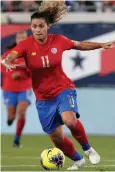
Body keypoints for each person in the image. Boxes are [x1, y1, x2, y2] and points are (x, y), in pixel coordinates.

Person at [1, 1, 115, 170]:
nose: (38, 29)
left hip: (63, 88)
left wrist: (100, 45)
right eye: (34, 26)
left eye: (41, 26)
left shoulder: (59, 40)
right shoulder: (26, 45)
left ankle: (88, 148)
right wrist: (6, 61)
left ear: (47, 26)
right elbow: (12, 55)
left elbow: (79, 45)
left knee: (69, 120)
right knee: (56, 137)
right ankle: (78, 160)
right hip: (43, 98)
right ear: (31, 28)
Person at [1, 31, 32, 147]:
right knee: (12, 116)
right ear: (16, 39)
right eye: (20, 37)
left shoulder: (31, 53)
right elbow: (2, 66)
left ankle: (17, 140)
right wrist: (11, 75)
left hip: (25, 87)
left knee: (22, 112)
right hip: (9, 88)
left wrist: (22, 74)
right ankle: (10, 118)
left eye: (24, 37)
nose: (22, 39)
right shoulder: (9, 53)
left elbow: (35, 69)